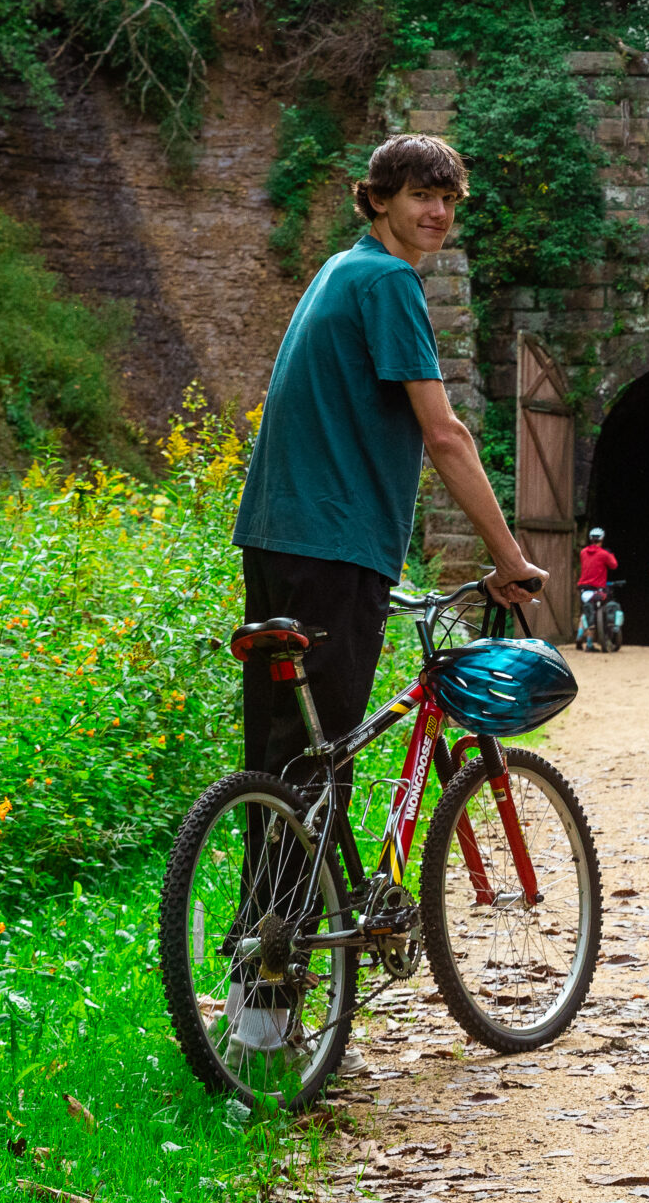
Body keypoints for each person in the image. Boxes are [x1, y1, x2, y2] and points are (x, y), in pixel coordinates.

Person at [233, 132, 546, 808]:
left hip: (275, 536)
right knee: (322, 754)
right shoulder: (390, 281)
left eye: (448, 199)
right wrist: (509, 559)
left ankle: (274, 882)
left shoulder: (340, 269)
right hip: (335, 541)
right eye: (420, 195)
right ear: (378, 199)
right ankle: (305, 880)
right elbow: (445, 434)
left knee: (282, 755)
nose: (438, 212)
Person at [576, 527, 620, 649]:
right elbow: (614, 565)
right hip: (597, 590)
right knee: (595, 614)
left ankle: (579, 634)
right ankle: (589, 643)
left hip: (584, 590)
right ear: (602, 539)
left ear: (590, 539)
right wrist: (610, 554)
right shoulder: (604, 554)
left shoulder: (583, 552)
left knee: (586, 612)